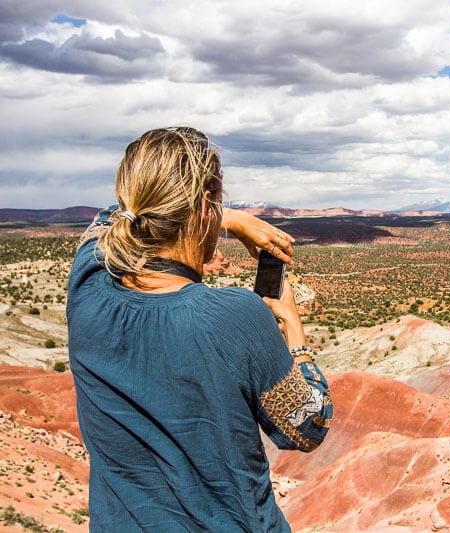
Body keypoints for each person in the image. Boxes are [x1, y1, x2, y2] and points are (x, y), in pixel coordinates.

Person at [67, 126, 332, 531]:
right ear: (204, 208)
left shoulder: (86, 284)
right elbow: (307, 428)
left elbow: (111, 217)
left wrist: (224, 214)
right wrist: (294, 330)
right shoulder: (236, 316)